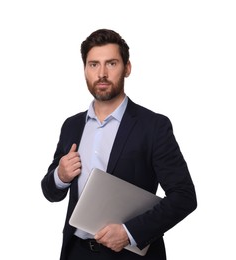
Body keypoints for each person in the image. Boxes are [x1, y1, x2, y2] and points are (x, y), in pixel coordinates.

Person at [41, 28, 197, 260]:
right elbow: (50, 192)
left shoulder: (154, 126)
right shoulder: (71, 126)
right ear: (85, 69)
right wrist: (60, 177)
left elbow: (184, 197)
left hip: (129, 254)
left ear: (127, 68)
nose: (101, 73)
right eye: (93, 64)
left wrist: (130, 232)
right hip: (76, 252)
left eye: (111, 64)